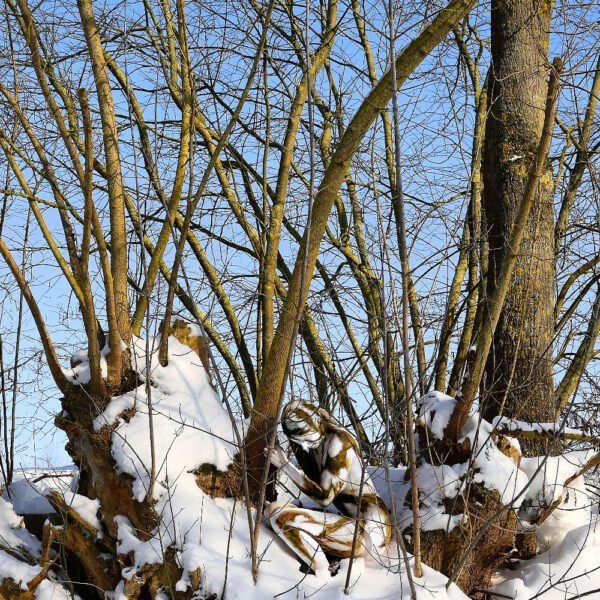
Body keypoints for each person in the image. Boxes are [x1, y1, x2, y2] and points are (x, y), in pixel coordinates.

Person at [266, 399, 392, 574]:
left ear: (317, 421)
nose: (304, 445)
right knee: (274, 511)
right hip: (352, 525)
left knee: (280, 516)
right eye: (298, 440)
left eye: (306, 437)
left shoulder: (339, 443)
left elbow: (325, 497)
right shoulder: (313, 444)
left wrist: (286, 466)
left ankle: (321, 570)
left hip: (371, 533)